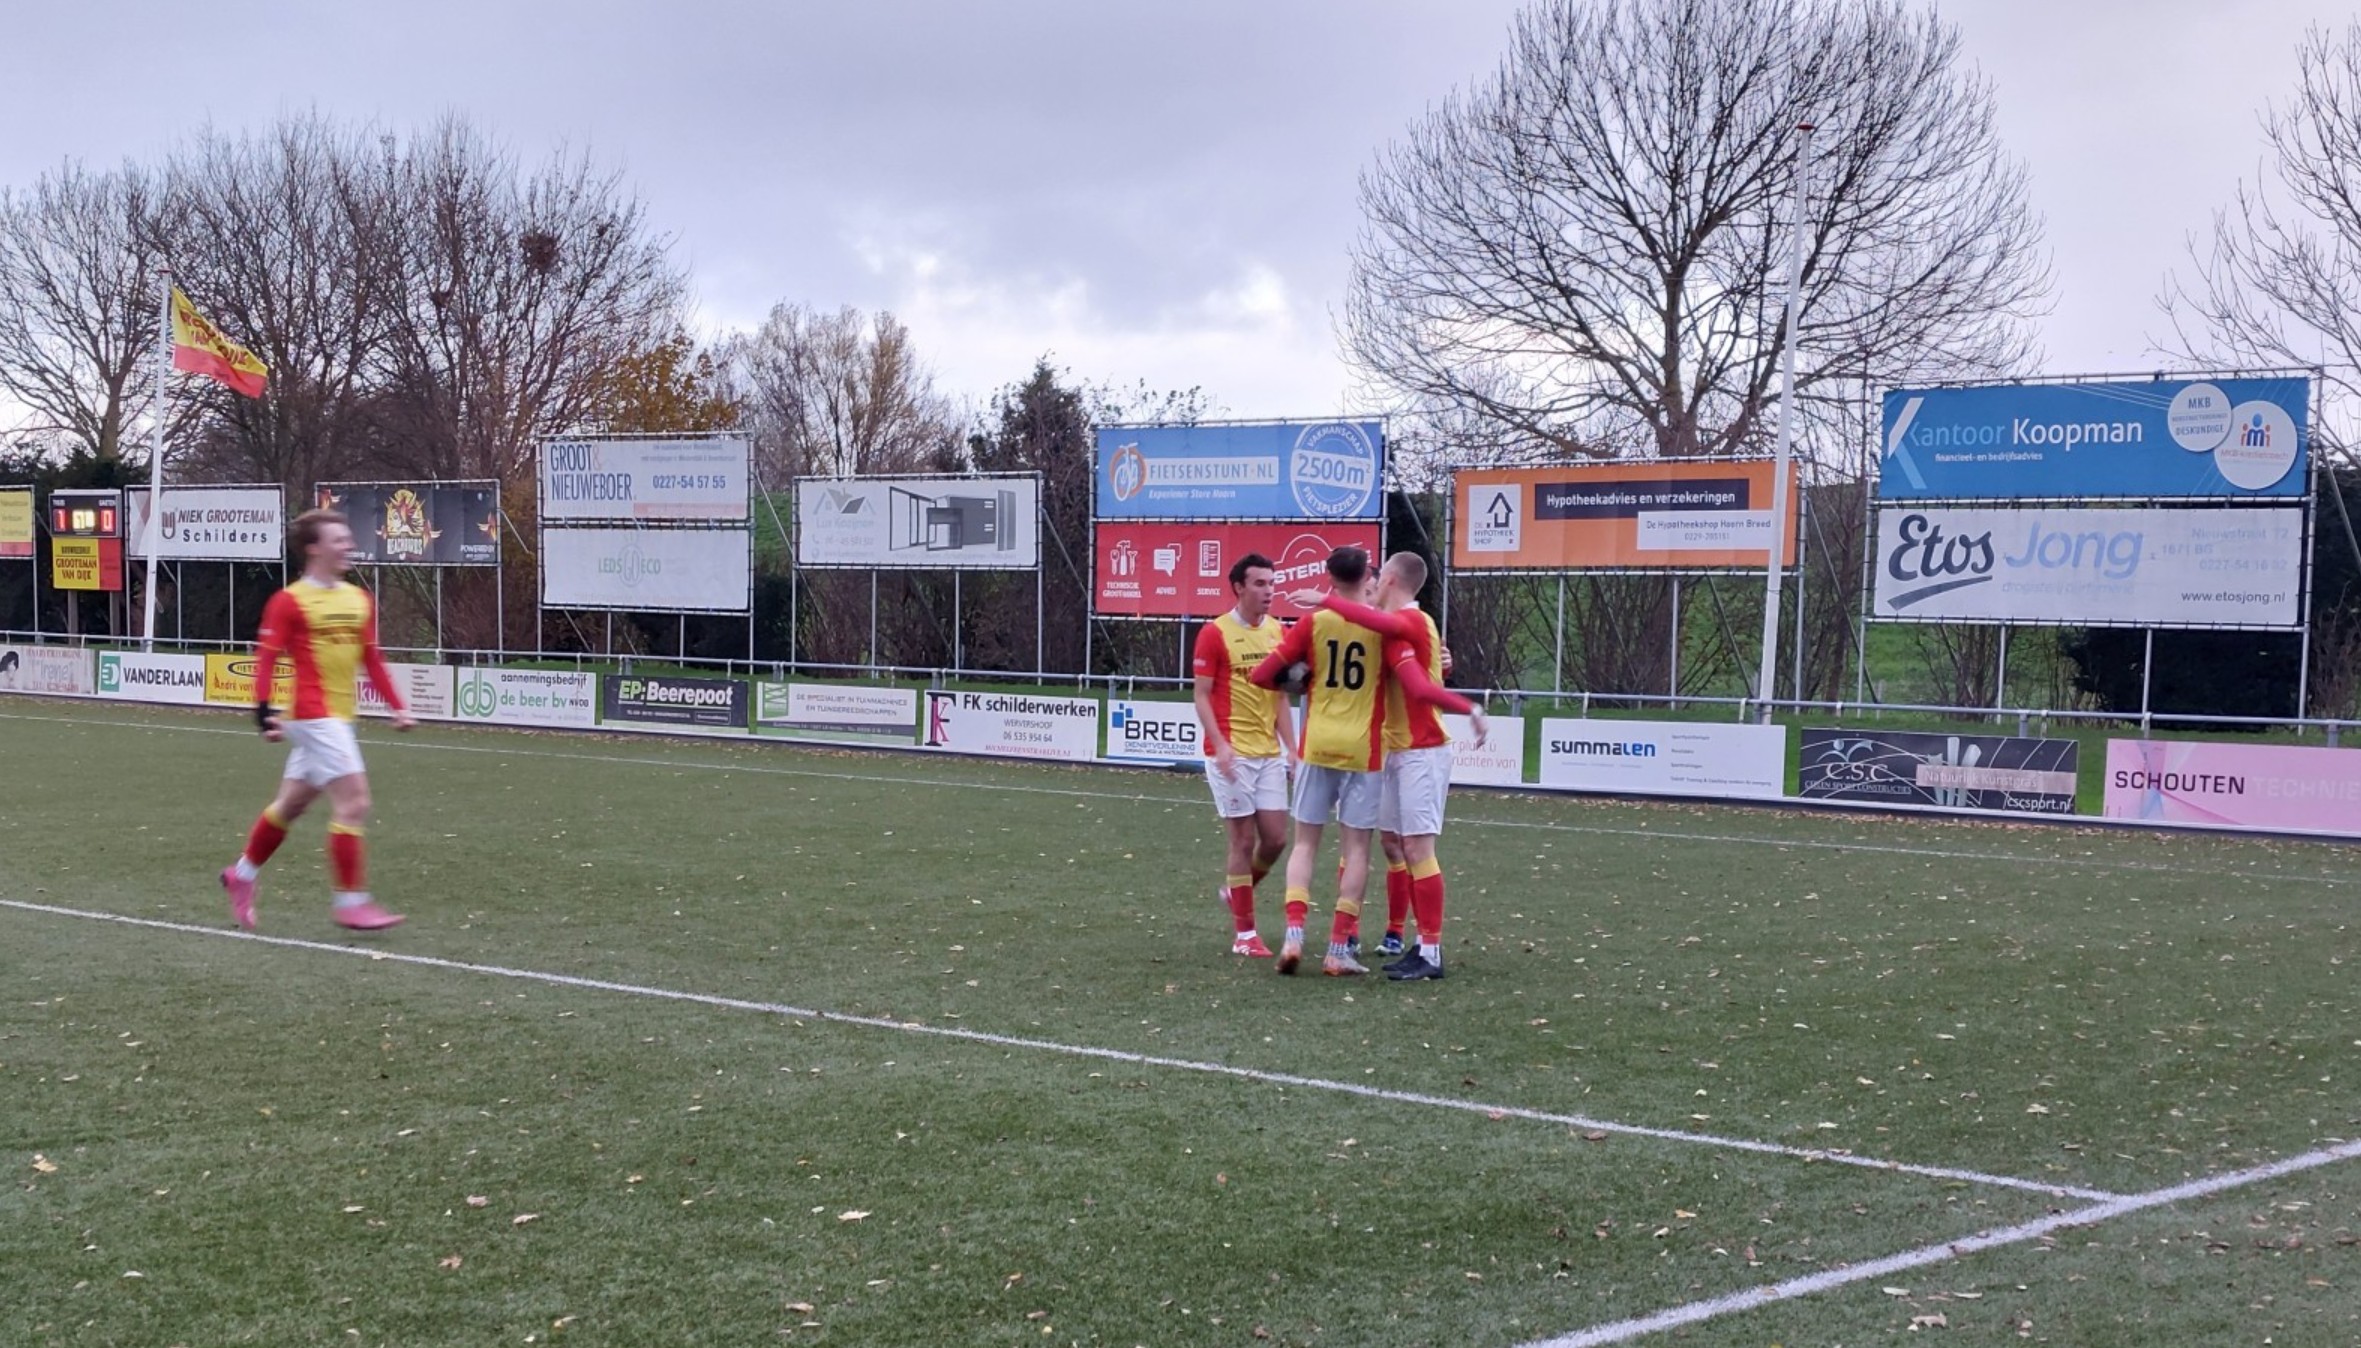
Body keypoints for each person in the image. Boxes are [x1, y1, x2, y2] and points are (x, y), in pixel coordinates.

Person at [1249, 547, 1477, 977]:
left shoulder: (1321, 622)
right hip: (1366, 749)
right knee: (1361, 848)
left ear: (1329, 576)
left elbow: (1263, 675)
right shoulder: (1381, 631)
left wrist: (1301, 679)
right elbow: (1413, 678)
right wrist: (1447, 678)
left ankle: (1295, 933)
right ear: (1368, 579)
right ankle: (1340, 945)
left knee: (1307, 844)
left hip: (1321, 744)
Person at [219, 509, 414, 931]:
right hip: (312, 714)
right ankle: (351, 901)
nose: (348, 546)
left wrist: (397, 704)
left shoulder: (358, 599)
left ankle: (241, 875)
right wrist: (263, 711)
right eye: (338, 539)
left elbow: (371, 658)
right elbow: (267, 657)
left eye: (348, 538)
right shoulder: (289, 601)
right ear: (314, 548)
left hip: (338, 718)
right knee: (355, 802)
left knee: (291, 804)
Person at [1324, 552, 1478, 982]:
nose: (1369, 589)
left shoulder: (1408, 620)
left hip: (1421, 750)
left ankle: (1430, 950)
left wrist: (1325, 600)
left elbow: (1416, 683)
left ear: (1388, 580)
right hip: (1393, 750)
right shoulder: (1396, 627)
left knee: (1417, 849)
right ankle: (1404, 939)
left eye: (1375, 583)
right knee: (1393, 841)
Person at [1190, 552, 1292, 957]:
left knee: (1276, 840)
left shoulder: (1279, 633)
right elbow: (1200, 695)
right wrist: (1221, 743)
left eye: (1271, 583)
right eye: (1260, 584)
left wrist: (1293, 750)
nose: (1269, 591)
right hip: (1228, 753)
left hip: (1268, 754)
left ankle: (1237, 892)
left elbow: (1281, 698)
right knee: (1242, 839)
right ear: (1238, 587)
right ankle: (1245, 936)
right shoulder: (1214, 634)